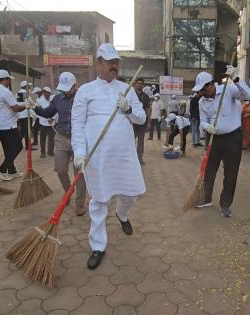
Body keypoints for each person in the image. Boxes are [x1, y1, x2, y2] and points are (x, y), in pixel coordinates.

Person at [71, 43, 146, 270]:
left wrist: (129, 110)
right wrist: (80, 152)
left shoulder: (127, 89)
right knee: (99, 201)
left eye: (116, 62)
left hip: (124, 155)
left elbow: (141, 119)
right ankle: (98, 246)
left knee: (131, 193)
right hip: (97, 157)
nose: (114, 66)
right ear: (99, 64)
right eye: (109, 62)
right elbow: (77, 124)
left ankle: (122, 215)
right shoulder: (85, 90)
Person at [195, 67, 250, 218]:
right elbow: (203, 120)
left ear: (211, 84)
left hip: (233, 138)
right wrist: (206, 126)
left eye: (203, 89)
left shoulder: (228, 89)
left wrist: (237, 78)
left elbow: (248, 95)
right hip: (215, 139)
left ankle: (225, 204)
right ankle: (207, 198)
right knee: (209, 170)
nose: (201, 92)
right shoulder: (202, 101)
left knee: (231, 172)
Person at [30, 72, 87, 216]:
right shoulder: (57, 98)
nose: (65, 91)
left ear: (75, 86)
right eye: (63, 88)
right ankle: (68, 192)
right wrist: (34, 107)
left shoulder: (83, 97)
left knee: (79, 173)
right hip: (61, 137)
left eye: (68, 88)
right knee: (60, 169)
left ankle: (79, 203)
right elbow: (48, 113)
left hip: (79, 139)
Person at [0, 70, 26, 181]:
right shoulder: (5, 91)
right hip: (7, 124)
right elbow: (16, 108)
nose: (9, 82)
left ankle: (12, 171)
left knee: (8, 149)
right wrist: (26, 105)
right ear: (5, 79)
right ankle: (1, 170)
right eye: (9, 79)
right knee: (18, 146)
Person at [133, 78, 150, 165]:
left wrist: (148, 122)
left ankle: (139, 158)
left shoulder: (145, 96)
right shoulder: (131, 94)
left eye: (141, 83)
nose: (139, 85)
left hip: (142, 122)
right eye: (138, 83)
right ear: (135, 84)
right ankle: (131, 157)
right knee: (131, 140)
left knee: (141, 141)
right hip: (132, 122)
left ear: (143, 85)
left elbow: (147, 109)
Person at [17, 81, 37, 151]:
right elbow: (31, 104)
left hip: (20, 115)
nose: (29, 87)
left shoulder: (17, 93)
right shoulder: (26, 94)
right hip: (26, 115)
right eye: (28, 86)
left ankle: (17, 145)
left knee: (22, 131)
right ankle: (28, 146)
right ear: (26, 86)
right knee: (27, 132)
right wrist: (36, 112)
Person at [37, 87, 56, 158]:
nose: (45, 94)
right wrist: (45, 118)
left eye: (46, 92)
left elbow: (57, 110)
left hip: (52, 122)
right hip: (43, 123)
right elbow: (38, 112)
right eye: (44, 92)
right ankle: (42, 152)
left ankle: (50, 151)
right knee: (43, 138)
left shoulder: (53, 99)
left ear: (50, 93)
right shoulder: (39, 101)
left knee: (51, 138)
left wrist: (52, 118)